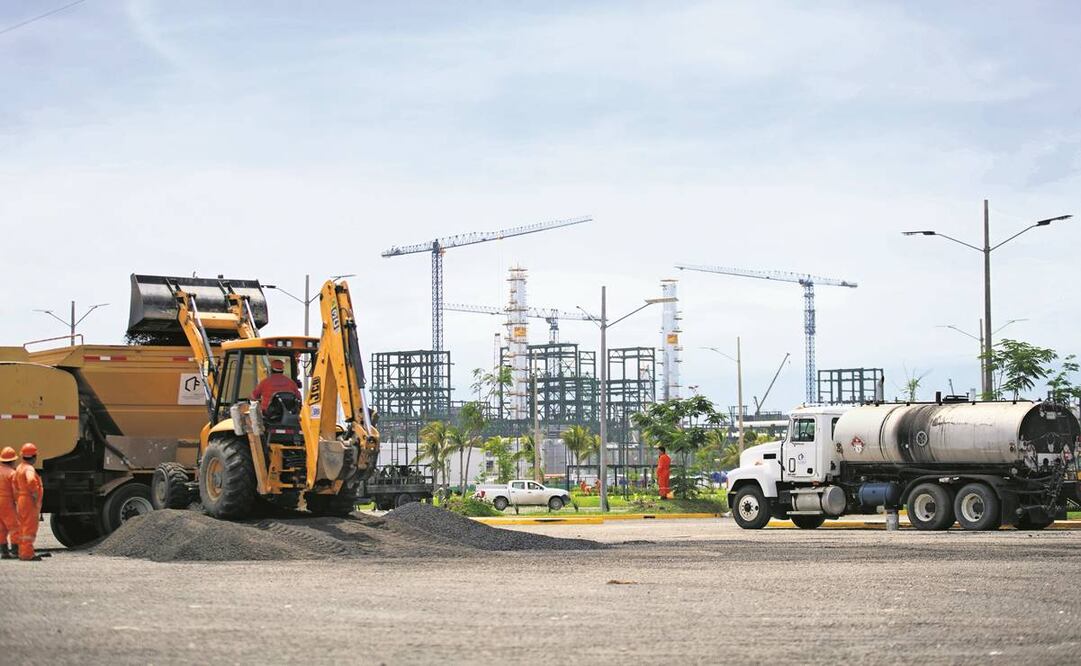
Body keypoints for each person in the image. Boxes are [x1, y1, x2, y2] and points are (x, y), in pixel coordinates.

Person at [13, 443, 43, 561]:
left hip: (21, 500)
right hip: (29, 500)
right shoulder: (29, 469)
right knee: (29, 529)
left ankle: (23, 552)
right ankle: (27, 554)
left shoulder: (19, 467)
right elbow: (31, 481)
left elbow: (14, 483)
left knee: (23, 527)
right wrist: (35, 494)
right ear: (34, 456)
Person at [0, 447, 19, 559]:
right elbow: (16, 490)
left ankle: (4, 552)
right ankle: (16, 551)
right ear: (12, 461)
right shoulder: (12, 473)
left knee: (1, 527)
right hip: (7, 502)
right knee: (14, 526)